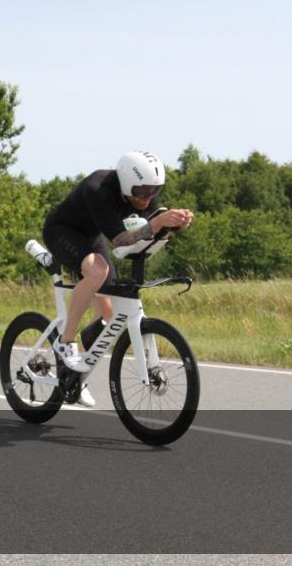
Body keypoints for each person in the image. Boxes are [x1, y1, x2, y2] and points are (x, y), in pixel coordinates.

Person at [42, 151, 193, 406]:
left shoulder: (143, 194)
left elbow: (147, 227)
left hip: (91, 238)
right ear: (125, 181)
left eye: (153, 190)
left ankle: (76, 377)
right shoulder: (98, 188)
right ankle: (65, 341)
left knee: (109, 320)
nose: (147, 197)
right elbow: (121, 241)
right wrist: (157, 224)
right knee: (97, 272)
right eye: (142, 190)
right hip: (61, 231)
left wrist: (173, 223)